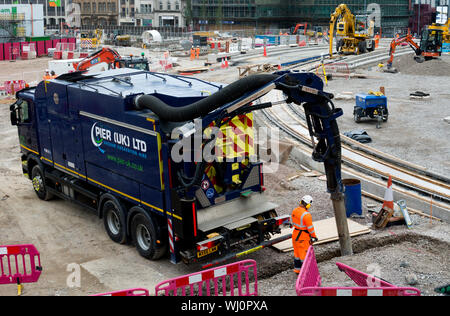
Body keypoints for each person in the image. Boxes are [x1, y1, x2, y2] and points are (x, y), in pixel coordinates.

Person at [290, 195, 318, 273]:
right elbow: (310, 229)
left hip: (295, 234)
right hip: (303, 237)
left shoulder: (295, 210)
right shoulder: (306, 215)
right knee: (304, 255)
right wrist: (314, 237)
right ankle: (306, 271)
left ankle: (297, 270)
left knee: (297, 254)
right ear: (308, 205)